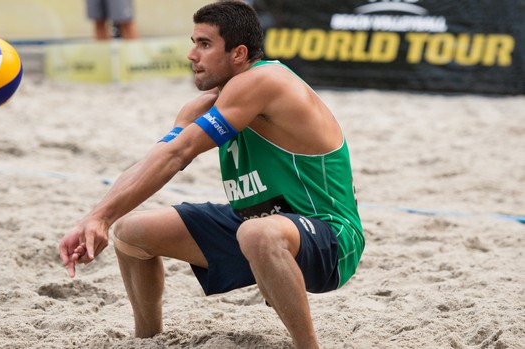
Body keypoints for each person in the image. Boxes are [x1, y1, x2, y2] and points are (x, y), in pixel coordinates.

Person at [59, 1, 364, 348]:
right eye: (193, 42)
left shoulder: (264, 80)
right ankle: (147, 341)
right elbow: (156, 160)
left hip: (330, 235)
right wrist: (97, 218)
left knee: (256, 234)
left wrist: (101, 217)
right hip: (257, 223)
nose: (192, 55)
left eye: (204, 44)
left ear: (239, 54)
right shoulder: (203, 105)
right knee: (130, 233)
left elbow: (178, 155)